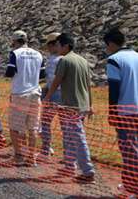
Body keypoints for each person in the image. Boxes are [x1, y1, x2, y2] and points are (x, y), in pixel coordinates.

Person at [43, 33, 95, 183]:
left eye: (58, 44)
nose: (57, 47)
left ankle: (87, 170)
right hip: (82, 104)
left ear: (65, 46)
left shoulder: (64, 61)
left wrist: (47, 97)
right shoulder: (83, 60)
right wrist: (90, 104)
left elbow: (56, 81)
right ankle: (69, 165)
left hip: (70, 105)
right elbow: (88, 85)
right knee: (71, 135)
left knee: (77, 136)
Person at [104, 28, 138, 196]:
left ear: (110, 43)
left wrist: (112, 111)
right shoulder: (137, 56)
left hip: (126, 111)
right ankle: (128, 184)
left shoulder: (114, 60)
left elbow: (114, 88)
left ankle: (133, 188)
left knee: (129, 150)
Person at [5, 30, 44, 166]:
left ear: (15, 41)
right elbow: (43, 74)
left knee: (14, 127)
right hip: (35, 93)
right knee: (33, 128)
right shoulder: (38, 54)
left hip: (20, 93)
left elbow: (9, 73)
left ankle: (18, 155)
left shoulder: (15, 54)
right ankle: (31, 158)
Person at [40, 32, 63, 158]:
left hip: (53, 93)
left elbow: (52, 80)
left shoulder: (53, 60)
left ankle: (46, 149)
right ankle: (69, 157)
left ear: (53, 45)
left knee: (45, 121)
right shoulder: (65, 58)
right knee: (65, 125)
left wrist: (47, 94)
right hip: (65, 94)